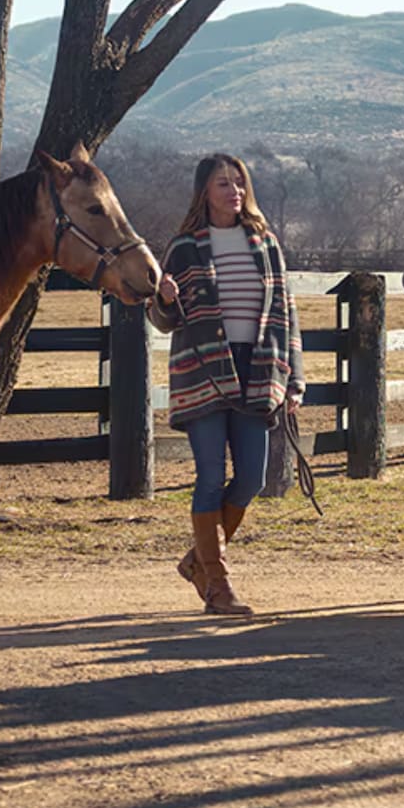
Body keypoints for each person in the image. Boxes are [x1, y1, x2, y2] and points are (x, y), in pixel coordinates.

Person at [148, 153, 305, 617]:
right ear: (205, 192)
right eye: (223, 184)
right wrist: (164, 299)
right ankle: (218, 586)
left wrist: (294, 378)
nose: (234, 191)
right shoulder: (184, 248)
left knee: (252, 477)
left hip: (258, 369)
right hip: (203, 371)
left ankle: (200, 561)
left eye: (239, 183)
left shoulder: (266, 243)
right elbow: (163, 320)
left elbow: (287, 315)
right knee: (211, 477)